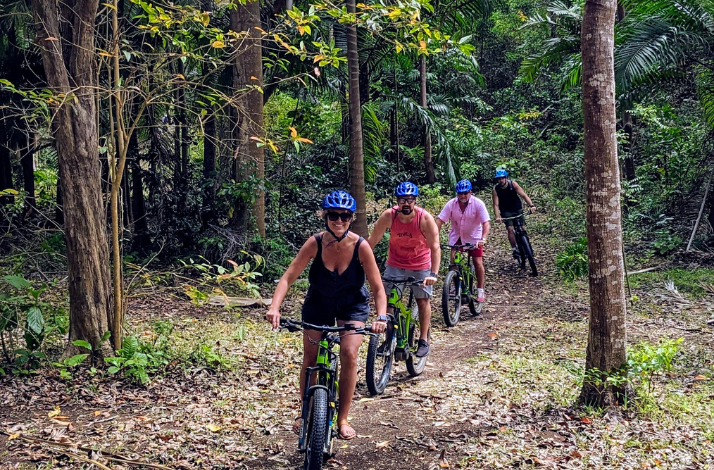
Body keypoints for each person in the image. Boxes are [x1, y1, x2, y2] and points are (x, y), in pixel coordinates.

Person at [266, 190, 387, 441]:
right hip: (318, 303)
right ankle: (305, 411)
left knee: (349, 353)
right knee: (310, 357)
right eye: (334, 215)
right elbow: (288, 277)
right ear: (325, 215)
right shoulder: (315, 242)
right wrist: (274, 307)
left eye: (345, 216)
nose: (339, 220)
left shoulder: (361, 246)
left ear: (351, 218)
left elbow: (377, 288)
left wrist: (381, 317)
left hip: (351, 305)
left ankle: (342, 418)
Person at [367, 182, 441, 358]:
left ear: (415, 201)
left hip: (421, 265)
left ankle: (423, 339)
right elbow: (371, 242)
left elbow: (435, 247)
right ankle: (388, 340)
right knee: (389, 302)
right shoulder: (389, 216)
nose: (406, 204)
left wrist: (433, 274)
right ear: (397, 202)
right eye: (402, 200)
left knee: (422, 300)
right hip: (396, 264)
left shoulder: (424, 219)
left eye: (410, 200)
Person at [436, 179, 491, 303]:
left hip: (474, 237)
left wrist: (483, 238)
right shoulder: (451, 204)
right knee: (453, 260)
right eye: (460, 193)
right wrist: (435, 237)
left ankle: (480, 289)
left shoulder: (478, 204)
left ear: (470, 192)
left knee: (477, 262)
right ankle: (455, 284)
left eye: (465, 193)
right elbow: (439, 220)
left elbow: (486, 223)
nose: (462, 196)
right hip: (457, 237)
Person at [492, 167, 537, 261]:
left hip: (517, 208)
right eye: (499, 178)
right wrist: (497, 216)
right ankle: (514, 249)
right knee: (510, 229)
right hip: (505, 210)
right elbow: (496, 205)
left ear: (506, 178)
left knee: (522, 228)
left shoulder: (513, 184)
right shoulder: (496, 189)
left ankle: (527, 246)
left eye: (502, 178)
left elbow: (523, 195)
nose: (501, 180)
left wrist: (531, 205)